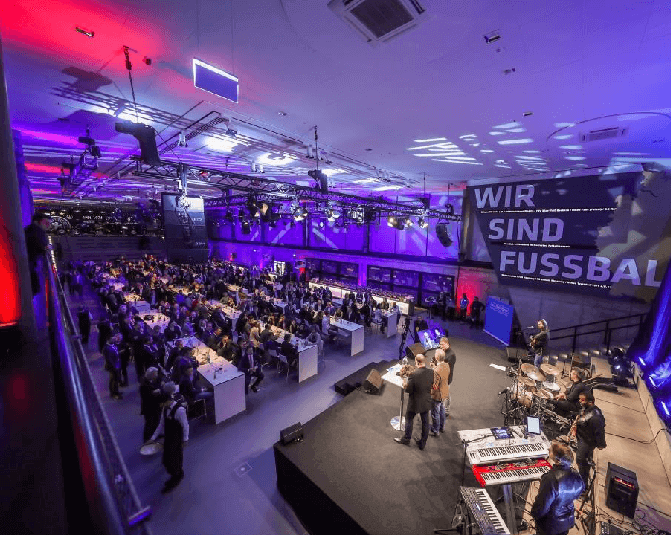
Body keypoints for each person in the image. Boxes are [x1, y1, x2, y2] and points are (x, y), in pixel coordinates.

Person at [531, 441, 584, 535]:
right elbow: (578, 492)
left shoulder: (551, 479)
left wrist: (535, 514)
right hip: (567, 521)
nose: (548, 451)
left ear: (557, 459)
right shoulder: (577, 475)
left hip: (550, 525)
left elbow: (542, 506)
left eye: (551, 451)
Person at [150, 382, 189, 494]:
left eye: (161, 404)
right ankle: (177, 474)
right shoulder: (165, 409)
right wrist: (153, 438)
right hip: (168, 437)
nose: (160, 406)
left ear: (166, 401)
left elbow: (185, 425)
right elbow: (161, 424)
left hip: (177, 439)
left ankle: (176, 477)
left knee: (174, 460)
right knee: (166, 460)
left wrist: (185, 440)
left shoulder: (179, 410)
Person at [394, 354, 434, 450]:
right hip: (426, 401)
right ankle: (422, 443)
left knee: (409, 418)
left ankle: (407, 439)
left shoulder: (414, 375)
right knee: (425, 422)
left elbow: (408, 390)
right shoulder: (431, 372)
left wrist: (404, 381)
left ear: (417, 362)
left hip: (415, 402)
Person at [572, 391, 607, 487]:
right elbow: (583, 417)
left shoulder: (596, 416)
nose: (580, 401)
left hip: (587, 442)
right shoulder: (588, 409)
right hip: (582, 438)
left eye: (582, 400)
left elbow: (599, 431)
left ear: (590, 402)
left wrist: (601, 444)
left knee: (582, 461)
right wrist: (576, 421)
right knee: (580, 460)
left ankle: (583, 487)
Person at [24, 212, 50, 294]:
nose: (48, 226)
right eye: (46, 223)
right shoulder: (37, 231)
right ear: (37, 221)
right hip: (28, 267)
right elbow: (43, 245)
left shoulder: (28, 229)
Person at [430, 348, 450, 436]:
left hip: (437, 395)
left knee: (435, 413)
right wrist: (434, 367)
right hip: (445, 392)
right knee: (442, 410)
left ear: (437, 357)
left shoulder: (436, 371)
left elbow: (435, 385)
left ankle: (435, 430)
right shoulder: (447, 365)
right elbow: (441, 373)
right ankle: (441, 427)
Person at [140, 367, 164, 443]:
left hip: (154, 405)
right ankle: (147, 439)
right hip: (149, 407)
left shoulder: (150, 381)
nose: (157, 375)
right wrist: (157, 391)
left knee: (156, 420)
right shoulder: (145, 384)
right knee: (149, 423)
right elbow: (149, 395)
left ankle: (154, 435)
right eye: (156, 373)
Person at [439, 337, 456, 417]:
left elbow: (447, 368)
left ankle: (446, 410)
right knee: (444, 394)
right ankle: (443, 408)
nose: (441, 346)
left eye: (442, 344)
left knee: (446, 395)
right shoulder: (443, 351)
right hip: (441, 377)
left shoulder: (451, 355)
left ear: (447, 343)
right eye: (440, 344)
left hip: (447, 378)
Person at [103, 334, 123, 400]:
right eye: (112, 338)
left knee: (116, 380)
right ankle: (113, 394)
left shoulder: (113, 345)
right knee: (113, 380)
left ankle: (116, 391)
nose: (114, 339)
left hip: (117, 364)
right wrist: (114, 367)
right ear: (108, 340)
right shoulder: (106, 348)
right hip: (112, 367)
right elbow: (109, 359)